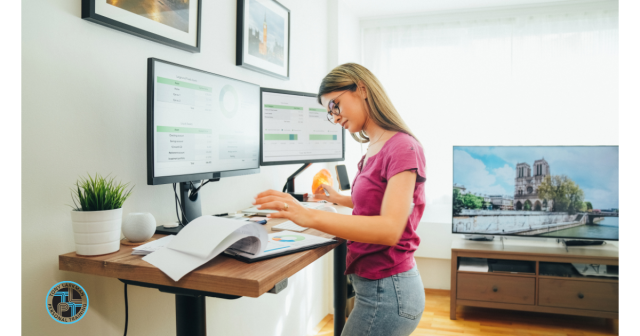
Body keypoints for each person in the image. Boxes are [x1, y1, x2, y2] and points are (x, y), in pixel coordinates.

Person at [253, 63, 426, 336]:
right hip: (377, 287)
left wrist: (307, 215)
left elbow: (390, 229)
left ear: (362, 88)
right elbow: (376, 205)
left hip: (389, 292)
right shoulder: (374, 147)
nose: (334, 118)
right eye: (328, 113)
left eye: (335, 106)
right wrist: (339, 199)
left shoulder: (403, 147)